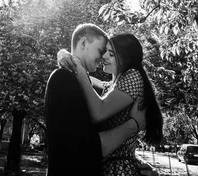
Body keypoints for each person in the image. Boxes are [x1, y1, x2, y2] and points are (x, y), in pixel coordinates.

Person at [45, 24, 146, 176]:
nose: (103, 56)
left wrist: (134, 165)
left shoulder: (87, 87)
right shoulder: (63, 79)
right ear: (83, 43)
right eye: (101, 50)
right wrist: (134, 124)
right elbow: (88, 148)